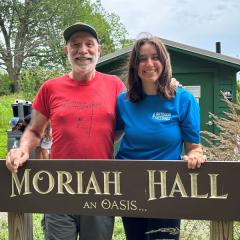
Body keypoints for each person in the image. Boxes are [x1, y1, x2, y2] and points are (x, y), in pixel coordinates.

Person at [6, 22, 126, 240]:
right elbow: (34, 130)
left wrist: (169, 89)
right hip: (58, 185)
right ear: (66, 50)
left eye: (89, 44)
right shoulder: (50, 87)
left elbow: (129, 123)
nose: (83, 50)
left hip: (100, 187)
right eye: (75, 45)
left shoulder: (115, 86)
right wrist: (21, 148)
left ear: (99, 49)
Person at [115, 36, 206, 240]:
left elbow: (194, 147)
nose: (149, 64)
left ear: (164, 62)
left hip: (167, 188)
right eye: (142, 59)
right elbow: (110, 134)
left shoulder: (183, 100)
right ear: (134, 66)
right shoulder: (123, 100)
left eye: (155, 57)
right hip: (130, 186)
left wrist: (195, 155)